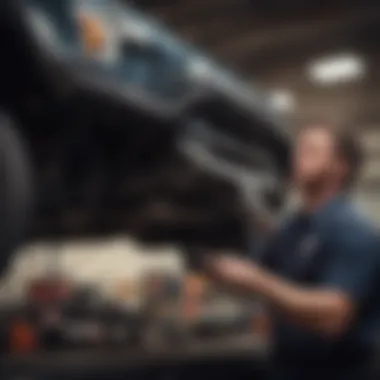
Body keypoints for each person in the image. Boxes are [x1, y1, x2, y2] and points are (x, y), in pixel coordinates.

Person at [188, 122, 380, 379]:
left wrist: (256, 280)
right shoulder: (290, 229)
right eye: (297, 151)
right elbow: (245, 280)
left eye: (309, 151)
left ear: (339, 167)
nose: (296, 159)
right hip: (285, 368)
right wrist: (203, 254)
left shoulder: (353, 232)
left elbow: (332, 318)